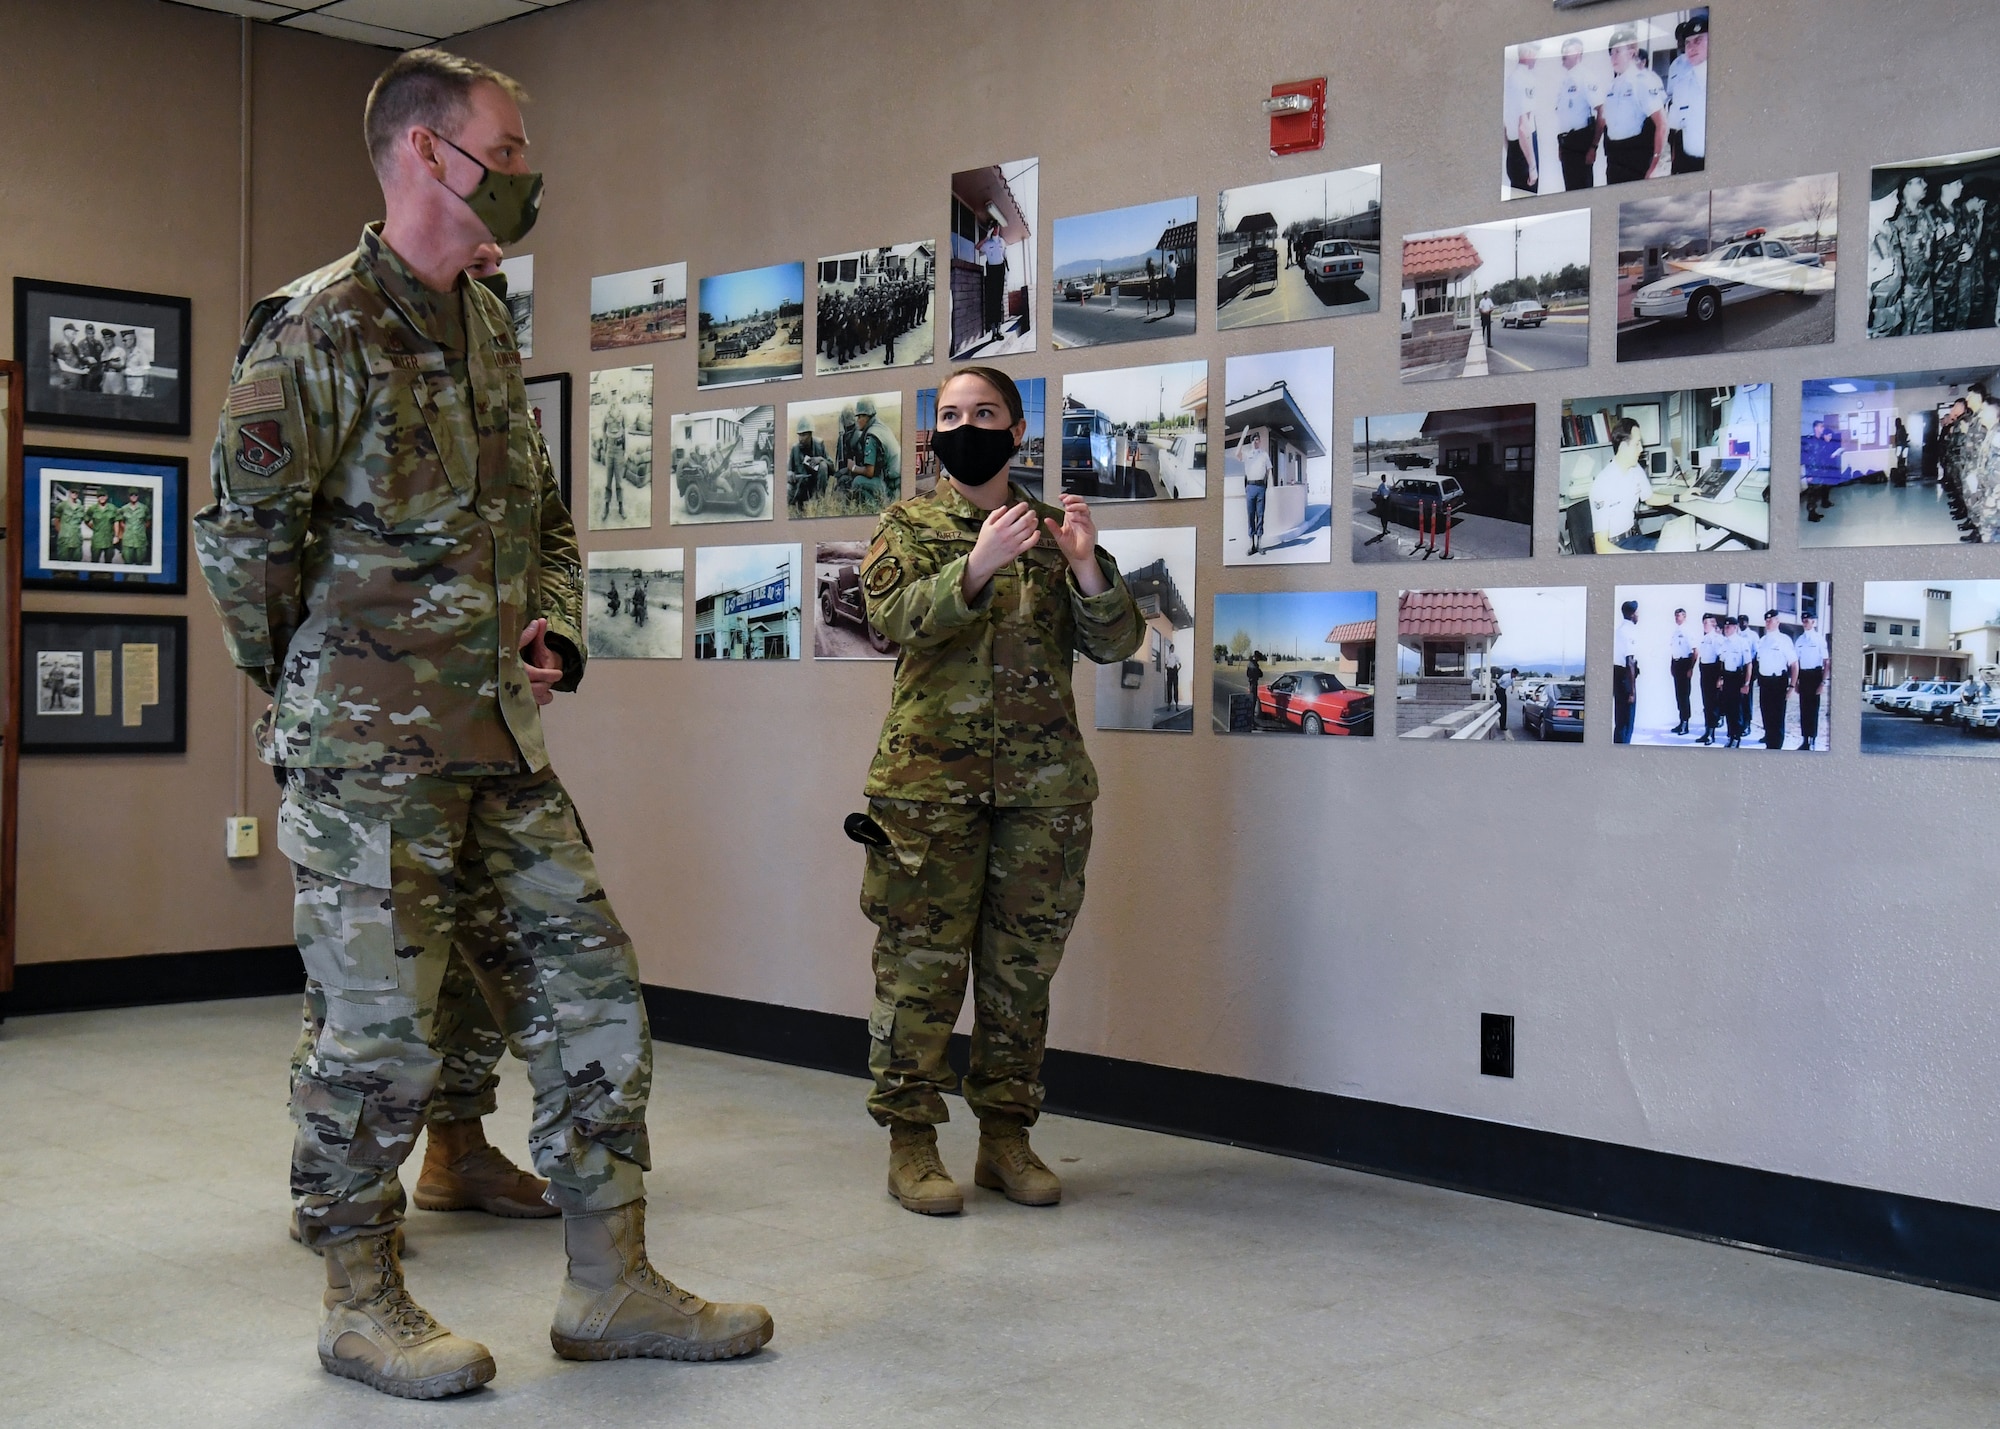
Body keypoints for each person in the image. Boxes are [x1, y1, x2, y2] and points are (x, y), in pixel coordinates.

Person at [191, 48, 771, 1399]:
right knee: (375, 1035)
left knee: (594, 992)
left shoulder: (487, 323)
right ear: (424, 157)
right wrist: (329, 694)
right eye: (506, 153)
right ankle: (360, 1298)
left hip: (503, 745)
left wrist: (551, 626)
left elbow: (543, 522)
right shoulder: (316, 328)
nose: (526, 178)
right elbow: (240, 552)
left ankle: (609, 1278)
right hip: (369, 759)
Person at [855, 364, 1141, 1217]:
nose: (965, 425)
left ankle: (1006, 1139)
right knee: (919, 971)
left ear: (1018, 431)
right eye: (949, 413)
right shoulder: (905, 523)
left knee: (1021, 978)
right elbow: (889, 619)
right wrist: (974, 567)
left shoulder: (1057, 529)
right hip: (926, 791)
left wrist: (1088, 571)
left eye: (984, 412)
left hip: (1041, 794)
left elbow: (1117, 640)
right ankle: (912, 1142)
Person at [1599, 28, 1666, 184]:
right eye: (1611, 53)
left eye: (1618, 52)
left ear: (1631, 53)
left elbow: (1661, 124)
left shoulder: (1643, 81)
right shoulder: (1612, 86)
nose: (1613, 57)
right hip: (1614, 160)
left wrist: (1655, 164)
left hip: (1636, 159)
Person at [1589, 416, 1658, 551]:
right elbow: (1601, 547)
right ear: (1622, 446)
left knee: (1669, 545)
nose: (1641, 449)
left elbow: (1650, 498)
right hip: (1614, 546)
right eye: (1637, 444)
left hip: (1634, 537)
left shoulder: (1635, 468)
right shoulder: (1602, 484)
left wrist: (1679, 497)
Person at [1552, 37, 1602, 191]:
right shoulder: (1565, 80)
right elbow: (1564, 118)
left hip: (1581, 144)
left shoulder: (1586, 77)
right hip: (1567, 146)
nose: (1563, 53)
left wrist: (1593, 147)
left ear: (1579, 53)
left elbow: (1602, 111)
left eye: (1568, 50)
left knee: (1583, 194)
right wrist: (1561, 147)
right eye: (1563, 50)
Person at [1665, 15, 1707, 174]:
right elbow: (1676, 128)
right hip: (1688, 159)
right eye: (1687, 42)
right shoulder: (1678, 73)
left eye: (1698, 40)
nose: (1690, 47)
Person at [1753, 610, 1798, 750]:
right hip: (1765, 683)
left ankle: (1776, 748)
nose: (1767, 622)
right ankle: (1769, 744)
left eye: (1770, 620)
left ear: (1778, 621)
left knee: (1777, 718)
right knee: (1766, 715)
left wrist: (1791, 686)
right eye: (1766, 620)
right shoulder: (1762, 641)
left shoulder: (1784, 640)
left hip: (1778, 682)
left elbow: (1794, 664)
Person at [1503, 41, 1540, 193]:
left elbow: (1504, 128)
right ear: (1529, 52)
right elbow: (1524, 127)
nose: (1536, 58)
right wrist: (1532, 166)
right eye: (1536, 53)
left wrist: (1512, 153)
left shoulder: (1510, 80)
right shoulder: (1525, 80)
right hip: (1524, 154)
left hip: (1514, 152)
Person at [846, 395, 891, 508]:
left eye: (859, 417)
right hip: (891, 481)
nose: (857, 420)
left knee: (857, 482)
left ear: (866, 416)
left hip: (889, 485)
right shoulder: (880, 427)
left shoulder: (871, 436)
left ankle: (875, 508)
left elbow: (869, 472)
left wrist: (853, 467)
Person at [1794, 610, 1828, 750]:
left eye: (1807, 621)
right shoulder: (1800, 640)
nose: (1805, 623)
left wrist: (1823, 682)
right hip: (1803, 676)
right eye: (1803, 620)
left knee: (1813, 709)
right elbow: (1796, 662)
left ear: (1814, 622)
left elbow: (1826, 662)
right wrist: (1795, 681)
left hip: (1815, 676)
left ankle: (1812, 740)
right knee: (1804, 709)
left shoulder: (1819, 639)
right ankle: (1805, 740)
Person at [1718, 614, 1753, 747]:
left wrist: (1747, 683)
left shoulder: (1742, 642)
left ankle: (1737, 738)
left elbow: (1748, 664)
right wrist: (1720, 678)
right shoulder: (1724, 642)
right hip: (1727, 678)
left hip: (1738, 678)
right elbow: (1722, 662)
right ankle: (1731, 735)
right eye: (1725, 627)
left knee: (1737, 709)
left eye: (1729, 627)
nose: (1726, 629)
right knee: (1728, 708)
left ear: (1735, 628)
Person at [788, 413, 829, 512]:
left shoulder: (819, 445)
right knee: (787, 489)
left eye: (804, 435)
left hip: (814, 486)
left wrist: (821, 459)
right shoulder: (795, 449)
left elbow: (832, 468)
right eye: (799, 435)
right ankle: (797, 507)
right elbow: (788, 470)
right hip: (799, 486)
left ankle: (820, 503)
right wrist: (790, 474)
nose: (801, 438)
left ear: (810, 434)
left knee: (823, 466)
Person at [1239, 429, 1272, 555]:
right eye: (1253, 440)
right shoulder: (1247, 454)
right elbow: (1237, 453)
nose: (1255, 442)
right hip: (1250, 487)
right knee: (1250, 516)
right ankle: (1251, 544)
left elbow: (1269, 470)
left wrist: (1269, 485)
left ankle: (1259, 544)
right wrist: (1242, 437)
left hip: (1260, 487)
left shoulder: (1264, 455)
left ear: (1260, 441)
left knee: (1260, 516)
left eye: (1257, 439)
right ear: (1251, 442)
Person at [1696, 613, 1725, 746]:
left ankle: (1711, 734)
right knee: (1706, 703)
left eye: (1706, 623)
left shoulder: (1717, 639)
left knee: (1713, 704)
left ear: (1713, 624)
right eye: (1703, 623)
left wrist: (1720, 677)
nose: (1704, 625)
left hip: (1714, 672)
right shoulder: (1704, 638)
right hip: (1705, 671)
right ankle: (1707, 731)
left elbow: (1721, 659)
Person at [599, 389, 627, 524]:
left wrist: (624, 450)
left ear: (619, 400)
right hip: (609, 449)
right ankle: (606, 507)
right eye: (612, 398)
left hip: (619, 449)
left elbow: (625, 431)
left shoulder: (622, 415)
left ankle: (621, 507)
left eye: (616, 398)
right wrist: (605, 446)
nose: (614, 401)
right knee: (608, 481)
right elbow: (603, 429)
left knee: (619, 482)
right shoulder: (606, 415)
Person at [1613, 599, 1639, 743]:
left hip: (1618, 675)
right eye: (1637, 612)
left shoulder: (1619, 631)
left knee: (1620, 719)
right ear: (1633, 614)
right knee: (1627, 721)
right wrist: (1632, 691)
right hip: (1626, 678)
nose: (1638, 615)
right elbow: (1630, 662)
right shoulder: (1629, 632)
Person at [1668, 607, 1695, 736]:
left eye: (1679, 616)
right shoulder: (1675, 631)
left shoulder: (1688, 631)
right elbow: (1674, 650)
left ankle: (1685, 723)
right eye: (1675, 616)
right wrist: (1672, 665)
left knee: (1684, 695)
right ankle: (1681, 721)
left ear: (1684, 616)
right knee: (1678, 695)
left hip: (1685, 664)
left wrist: (1690, 668)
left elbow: (1695, 652)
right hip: (1677, 663)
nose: (1676, 618)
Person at [978, 223, 1008, 338]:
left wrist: (1007, 272)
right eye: (993, 227)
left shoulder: (1002, 241)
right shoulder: (987, 243)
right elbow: (977, 247)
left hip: (1000, 270)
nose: (996, 229)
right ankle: (993, 332)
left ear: (999, 228)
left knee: (999, 301)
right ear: (991, 229)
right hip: (991, 271)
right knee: (991, 301)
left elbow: (1004, 255)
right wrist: (986, 236)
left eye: (997, 227)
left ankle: (999, 330)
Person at [51, 484, 87, 564]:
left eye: (76, 493)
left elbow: (82, 520)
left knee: (77, 560)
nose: (74, 494)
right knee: (63, 560)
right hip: (65, 538)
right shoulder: (62, 505)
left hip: (76, 538)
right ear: (70, 493)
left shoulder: (80, 507)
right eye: (73, 492)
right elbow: (56, 520)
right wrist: (61, 532)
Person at [116, 490, 150, 567]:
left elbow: (148, 521)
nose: (134, 496)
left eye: (136, 495)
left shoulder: (144, 508)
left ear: (138, 496)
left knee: (140, 562)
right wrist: (127, 529)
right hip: (128, 539)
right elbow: (120, 521)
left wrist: (141, 529)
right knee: (127, 562)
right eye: (132, 495)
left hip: (140, 539)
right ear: (129, 496)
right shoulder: (124, 508)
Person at [51, 322, 87, 390]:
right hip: (66, 382)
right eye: (73, 334)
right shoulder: (58, 346)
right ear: (66, 333)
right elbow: (62, 367)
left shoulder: (74, 347)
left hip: (77, 382)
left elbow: (78, 361)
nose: (75, 336)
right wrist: (81, 372)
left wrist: (84, 366)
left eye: (75, 334)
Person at [1245, 649, 1265, 717]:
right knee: (1252, 701)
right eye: (1258, 658)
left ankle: (1251, 718)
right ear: (1256, 657)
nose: (1259, 659)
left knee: (1253, 701)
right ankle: (1251, 720)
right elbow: (1260, 674)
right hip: (1253, 684)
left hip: (1253, 683)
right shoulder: (1254, 665)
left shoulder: (1252, 664)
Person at [1163, 638, 1181, 708]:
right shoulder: (1167, 657)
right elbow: (1165, 665)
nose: (1173, 649)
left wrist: (1177, 670)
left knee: (1175, 688)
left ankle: (1176, 705)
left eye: (1173, 648)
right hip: (1169, 671)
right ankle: (1169, 705)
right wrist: (1168, 669)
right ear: (1170, 649)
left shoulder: (1176, 656)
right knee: (1169, 688)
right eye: (1172, 648)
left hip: (1174, 671)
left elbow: (1180, 664)